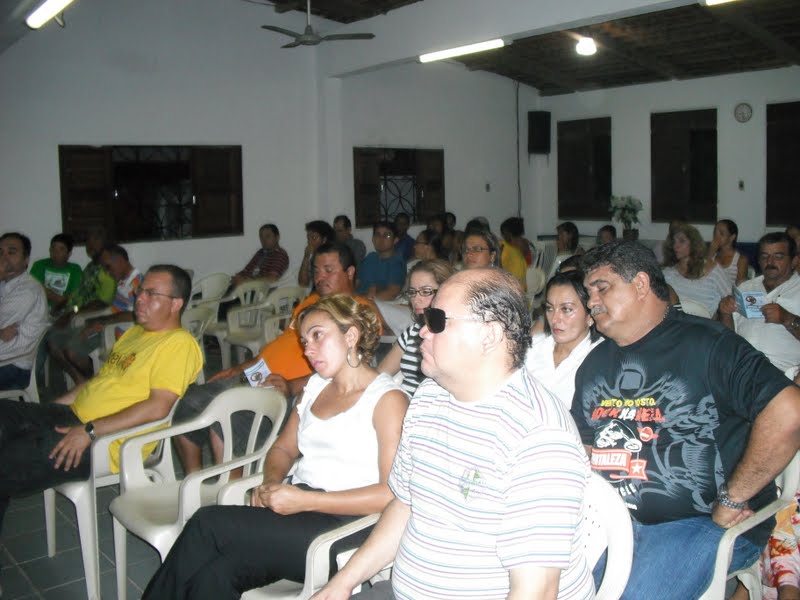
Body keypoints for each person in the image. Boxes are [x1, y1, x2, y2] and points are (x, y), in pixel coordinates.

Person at [313, 268, 594, 600]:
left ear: (489, 335)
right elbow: (405, 506)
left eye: (436, 321)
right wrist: (342, 582)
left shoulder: (538, 438)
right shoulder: (430, 397)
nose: (422, 331)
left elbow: (536, 592)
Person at [571, 240, 800, 599]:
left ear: (641, 284)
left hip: (701, 523)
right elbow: (582, 446)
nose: (591, 302)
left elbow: (790, 411)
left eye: (602, 288)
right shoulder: (595, 364)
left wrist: (733, 498)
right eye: (588, 293)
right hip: (610, 521)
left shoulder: (709, 345)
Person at [142, 295, 409, 600]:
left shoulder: (386, 400)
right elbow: (283, 449)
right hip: (301, 510)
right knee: (218, 573)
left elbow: (389, 494)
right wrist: (271, 483)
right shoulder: (315, 387)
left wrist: (305, 501)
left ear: (351, 336)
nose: (308, 350)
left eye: (318, 335)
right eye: (305, 340)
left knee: (207, 524)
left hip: (348, 527)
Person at [0, 265, 201, 548]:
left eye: (151, 294)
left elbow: (158, 407)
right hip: (73, 417)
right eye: (140, 291)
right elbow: (98, 383)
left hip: (108, 441)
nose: (139, 299)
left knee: (8, 460)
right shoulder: (134, 334)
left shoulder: (178, 344)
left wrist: (90, 431)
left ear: (176, 304)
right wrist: (44, 412)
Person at [173, 242, 380, 473]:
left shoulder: (360, 310)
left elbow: (352, 368)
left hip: (287, 388)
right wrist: (241, 368)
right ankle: (195, 481)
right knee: (190, 402)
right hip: (257, 373)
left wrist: (291, 386)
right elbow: (281, 345)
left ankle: (232, 488)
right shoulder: (310, 302)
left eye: (328, 270)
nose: (320, 277)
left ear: (349, 272)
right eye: (316, 271)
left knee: (227, 422)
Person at [52, 244, 143, 384]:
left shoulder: (138, 283)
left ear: (120, 261)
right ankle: (85, 381)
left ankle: (92, 384)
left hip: (119, 333)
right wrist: (93, 321)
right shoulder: (122, 281)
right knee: (57, 342)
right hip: (107, 327)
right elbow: (114, 309)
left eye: (108, 267)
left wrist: (101, 322)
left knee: (72, 351)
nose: (107, 272)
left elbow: (134, 315)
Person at [718, 232, 800, 372]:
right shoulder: (745, 288)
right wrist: (725, 314)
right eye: (764, 256)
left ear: (794, 261)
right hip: (739, 367)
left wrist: (787, 319)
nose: (770, 262)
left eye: (778, 256)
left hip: (781, 372)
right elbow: (728, 337)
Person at [525, 271, 602, 409]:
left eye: (566, 309)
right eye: (550, 308)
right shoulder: (531, 348)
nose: (555, 319)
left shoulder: (601, 360)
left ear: (590, 315)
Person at [378, 259, 454, 397]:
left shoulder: (457, 336)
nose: (416, 299)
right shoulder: (413, 332)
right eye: (412, 292)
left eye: (425, 291)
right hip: (402, 403)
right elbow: (380, 375)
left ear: (446, 291)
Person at [0, 232, 48, 390]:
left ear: (26, 260)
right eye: (0, 252)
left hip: (12, 366)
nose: (4, 257)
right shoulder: (4, 284)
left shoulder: (27, 289)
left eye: (11, 252)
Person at [662, 223, 730, 316]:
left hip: (705, 322)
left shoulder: (713, 271)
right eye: (674, 242)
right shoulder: (668, 274)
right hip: (676, 322)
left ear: (694, 243)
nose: (676, 246)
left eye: (682, 241)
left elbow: (730, 298)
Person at [29, 233, 83, 315]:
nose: (56, 252)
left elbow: (74, 297)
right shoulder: (39, 265)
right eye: (53, 248)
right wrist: (61, 299)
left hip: (65, 313)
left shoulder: (75, 269)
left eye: (61, 249)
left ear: (69, 253)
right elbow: (35, 289)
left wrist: (50, 295)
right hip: (39, 311)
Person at [356, 222, 406, 301]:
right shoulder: (370, 257)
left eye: (387, 235)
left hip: (373, 303)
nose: (381, 239)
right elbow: (357, 282)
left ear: (395, 240)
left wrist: (361, 301)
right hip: (356, 299)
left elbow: (392, 293)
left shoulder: (396, 262)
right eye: (377, 235)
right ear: (373, 239)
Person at [231, 223, 289, 288]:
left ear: (277, 237)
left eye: (267, 236)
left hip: (258, 290)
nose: (263, 240)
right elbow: (246, 270)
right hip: (245, 286)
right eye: (261, 237)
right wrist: (237, 277)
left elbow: (272, 279)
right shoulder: (260, 252)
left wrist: (245, 281)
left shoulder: (280, 254)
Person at [708, 219, 749, 287]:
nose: (716, 237)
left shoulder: (741, 260)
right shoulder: (711, 256)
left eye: (721, 233)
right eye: (715, 233)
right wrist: (710, 254)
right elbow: (701, 277)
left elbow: (740, 287)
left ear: (732, 237)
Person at [299, 220, 335, 288]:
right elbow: (303, 283)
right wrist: (306, 257)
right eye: (308, 238)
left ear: (324, 240)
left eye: (314, 238)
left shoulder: (334, 258)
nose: (309, 242)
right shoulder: (314, 257)